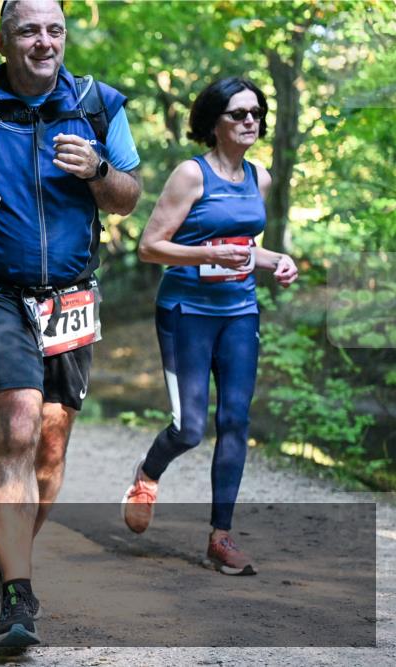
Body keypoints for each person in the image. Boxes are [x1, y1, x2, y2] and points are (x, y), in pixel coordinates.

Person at [0, 0, 141, 647]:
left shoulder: (99, 106)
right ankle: (19, 595)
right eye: (29, 29)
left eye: (54, 29)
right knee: (18, 418)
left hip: (70, 294)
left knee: (52, 440)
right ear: (3, 39)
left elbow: (128, 196)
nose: (44, 41)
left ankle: (10, 555)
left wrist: (98, 171)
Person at [121, 77, 298, 575]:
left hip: (239, 311)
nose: (250, 121)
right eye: (238, 114)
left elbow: (245, 248)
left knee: (236, 421)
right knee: (190, 427)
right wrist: (205, 252)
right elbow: (150, 246)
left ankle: (221, 537)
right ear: (214, 123)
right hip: (186, 313)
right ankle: (148, 472)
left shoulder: (259, 177)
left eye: (256, 113)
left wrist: (277, 259)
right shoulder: (190, 176)